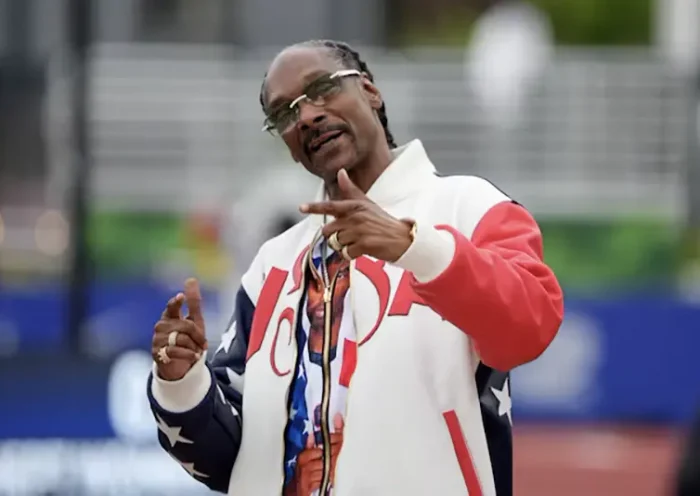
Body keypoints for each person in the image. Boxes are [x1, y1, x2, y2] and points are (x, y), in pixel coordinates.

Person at [146, 39, 564, 496]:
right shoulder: (272, 265)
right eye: (285, 114)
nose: (306, 116)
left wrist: (416, 248)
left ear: (370, 91)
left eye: (322, 89)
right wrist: (182, 382)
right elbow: (230, 459)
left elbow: (530, 327)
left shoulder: (468, 207)